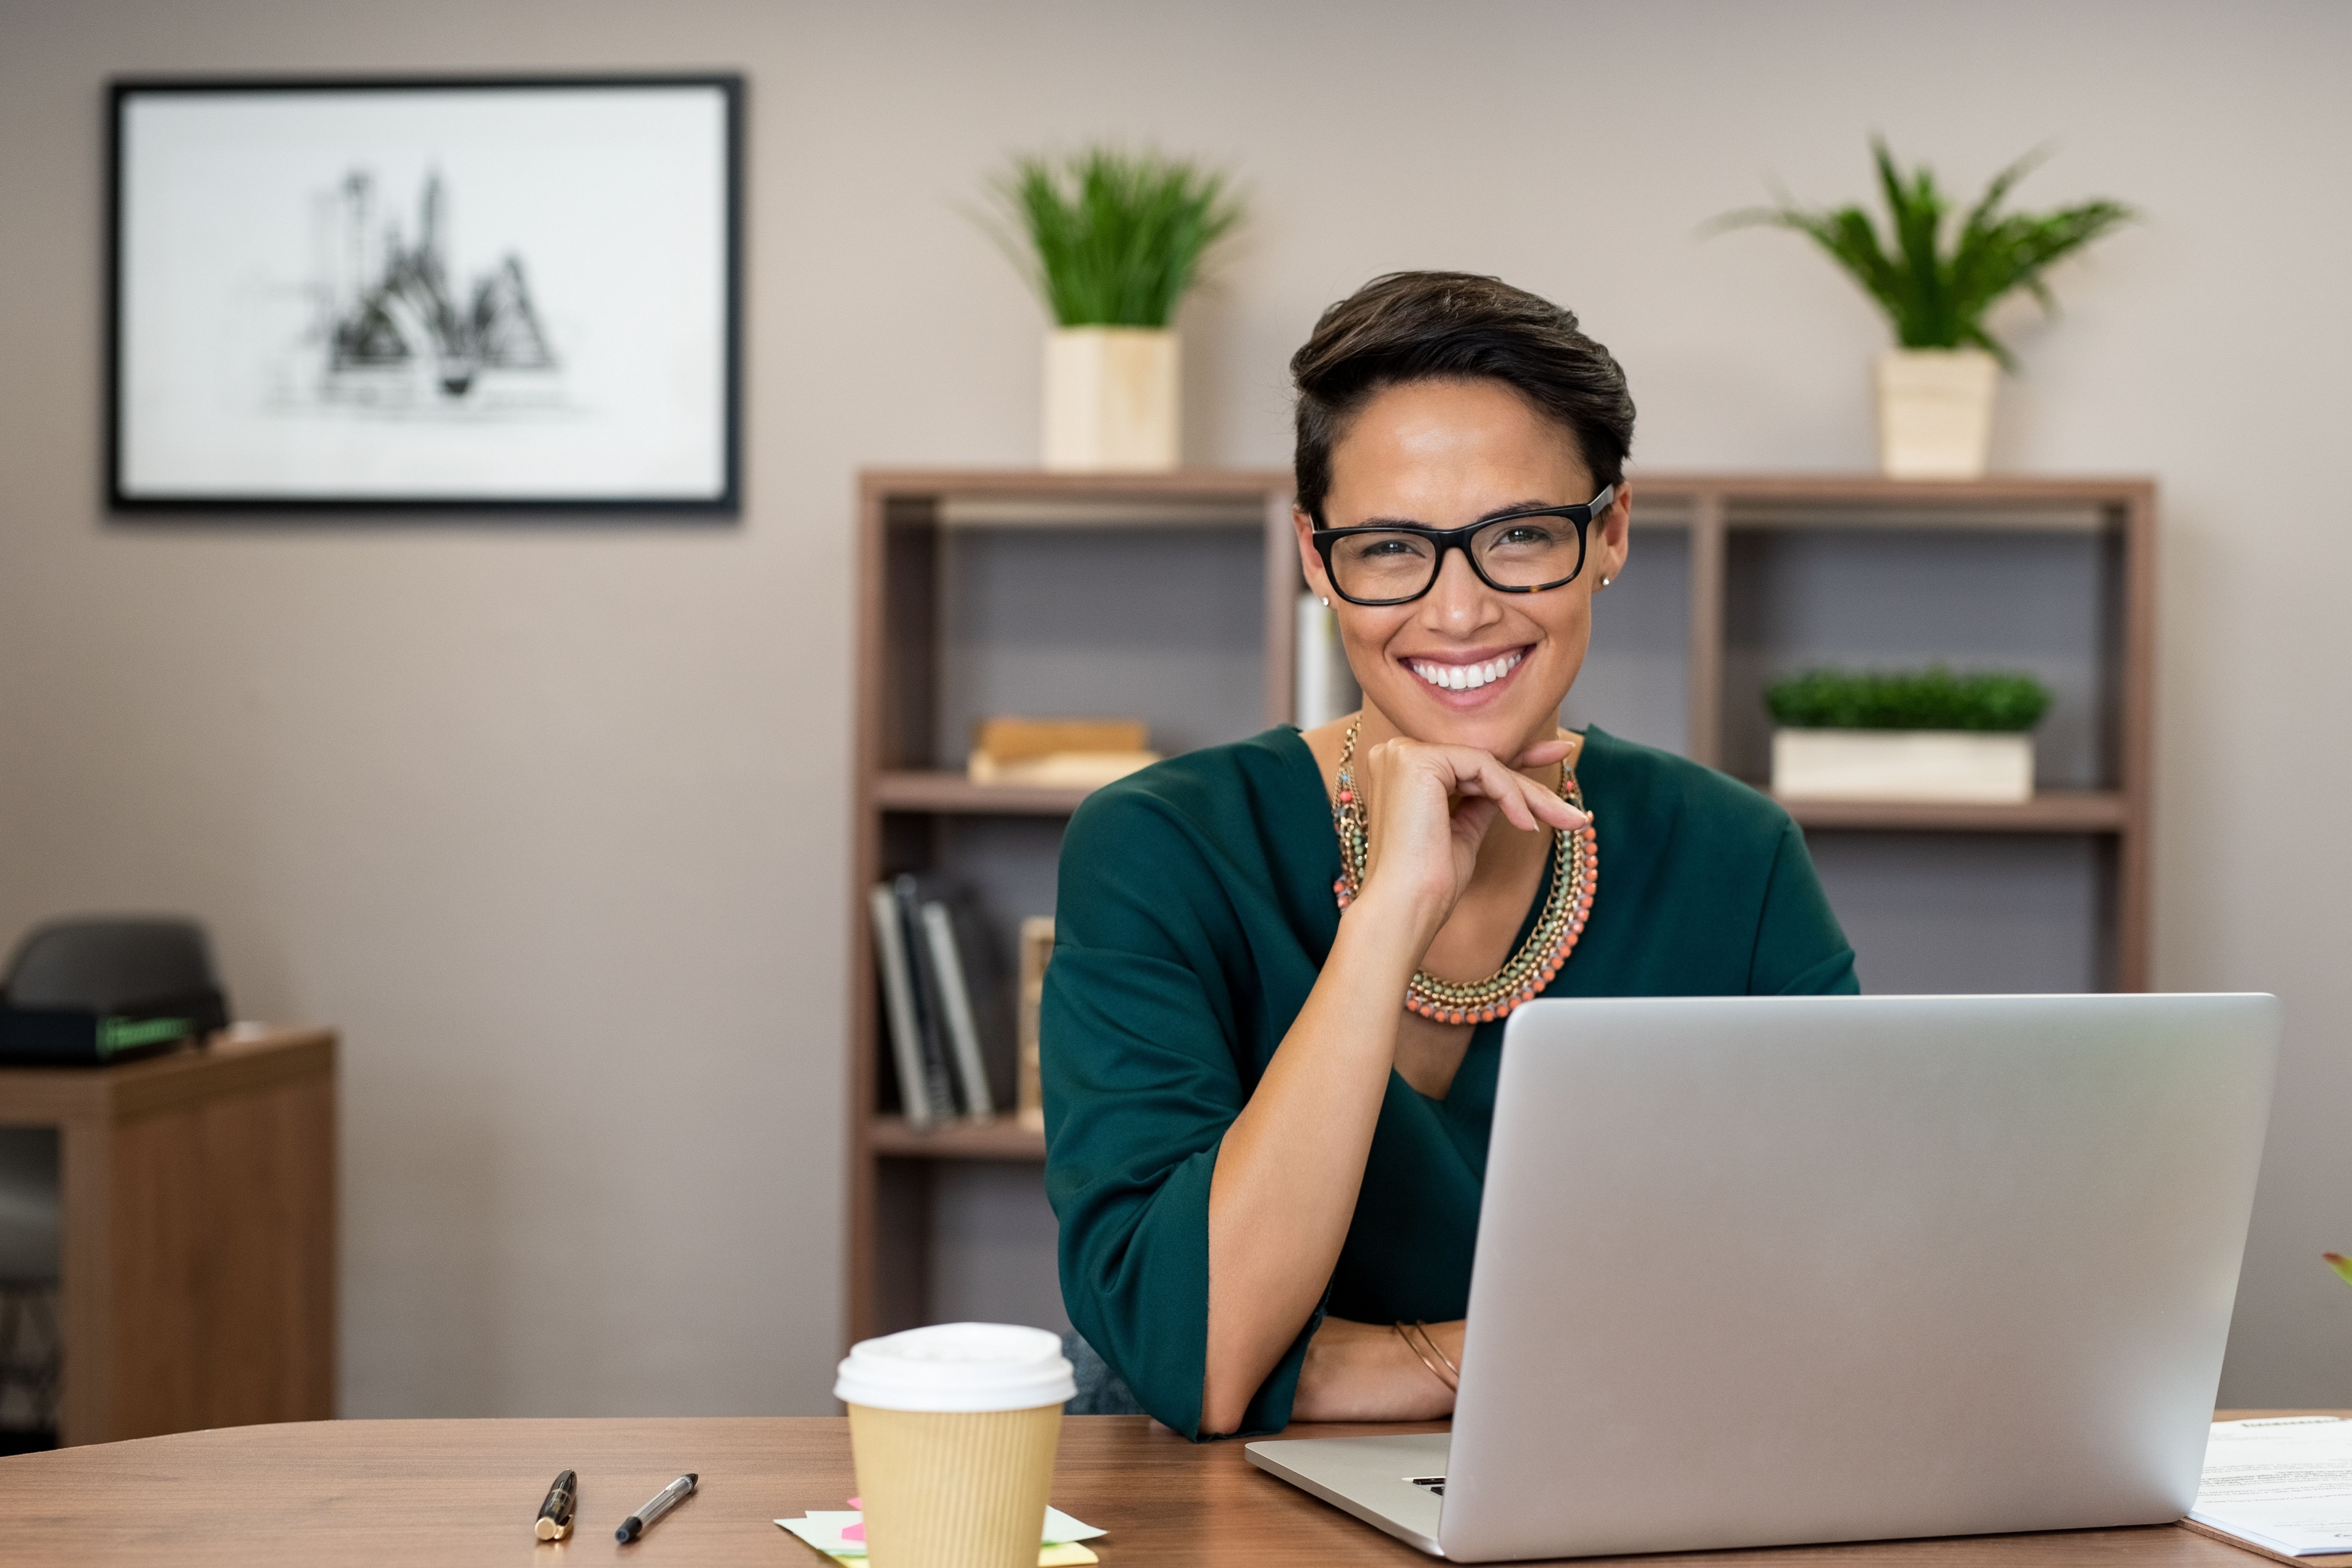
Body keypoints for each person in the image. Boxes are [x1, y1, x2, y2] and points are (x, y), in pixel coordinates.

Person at [1041, 272, 1857, 1441]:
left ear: (1610, 534)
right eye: (1389, 549)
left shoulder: (1737, 855)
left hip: (1612, 1479)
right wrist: (1390, 912)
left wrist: (1353, 1369)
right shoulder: (1157, 846)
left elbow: (1824, 1297)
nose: (1461, 610)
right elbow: (1207, 1357)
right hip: (1222, 1517)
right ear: (1318, 563)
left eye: (1520, 537)